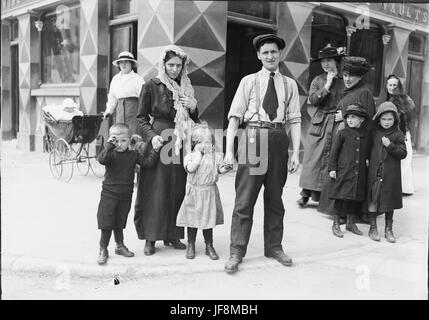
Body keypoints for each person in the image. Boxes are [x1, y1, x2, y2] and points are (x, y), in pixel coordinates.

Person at [223, 34, 301, 274]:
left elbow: (296, 120)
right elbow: (235, 118)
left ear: (280, 54)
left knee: (275, 198)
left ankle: (274, 247)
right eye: (265, 52)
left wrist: (295, 153)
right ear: (258, 55)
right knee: (245, 199)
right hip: (253, 137)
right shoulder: (248, 81)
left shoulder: (289, 84)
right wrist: (229, 152)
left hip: (278, 138)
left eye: (274, 52)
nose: (270, 56)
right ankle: (237, 251)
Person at [134, 45, 199, 255]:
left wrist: (193, 105)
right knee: (156, 189)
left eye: (178, 66)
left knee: (177, 187)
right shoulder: (152, 85)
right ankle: (151, 236)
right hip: (160, 140)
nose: (174, 69)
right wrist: (152, 137)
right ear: (163, 64)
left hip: (181, 141)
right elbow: (141, 119)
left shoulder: (186, 87)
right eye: (170, 65)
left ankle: (172, 234)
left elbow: (194, 118)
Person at [318, 56, 375, 219]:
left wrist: (344, 118)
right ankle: (338, 212)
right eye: (346, 75)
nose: (348, 79)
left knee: (346, 177)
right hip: (344, 140)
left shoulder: (364, 93)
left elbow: (367, 121)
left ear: (360, 77)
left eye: (352, 76)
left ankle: (345, 214)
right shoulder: (351, 90)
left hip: (353, 144)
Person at [96, 124, 159, 265]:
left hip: (125, 195)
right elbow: (101, 160)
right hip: (109, 195)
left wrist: (155, 150)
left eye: (123, 140)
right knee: (106, 223)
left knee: (120, 221)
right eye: (115, 140)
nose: (119, 144)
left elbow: (148, 163)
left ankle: (119, 246)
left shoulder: (133, 155)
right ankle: (103, 249)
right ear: (111, 140)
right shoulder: (110, 154)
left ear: (129, 140)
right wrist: (109, 146)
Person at [298, 44, 346, 207]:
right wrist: (326, 86)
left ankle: (324, 196)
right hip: (320, 121)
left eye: (329, 60)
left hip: (337, 122)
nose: (325, 64)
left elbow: (349, 99)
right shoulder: (318, 80)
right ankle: (305, 193)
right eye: (323, 61)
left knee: (331, 158)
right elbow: (313, 100)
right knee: (312, 157)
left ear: (336, 61)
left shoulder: (344, 79)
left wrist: (344, 114)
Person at [176, 123, 232, 260]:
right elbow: (191, 168)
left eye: (209, 141)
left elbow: (219, 170)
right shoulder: (190, 156)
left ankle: (209, 245)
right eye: (203, 142)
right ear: (194, 143)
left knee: (208, 221)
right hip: (194, 192)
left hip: (209, 192)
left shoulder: (215, 156)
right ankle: (191, 244)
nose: (207, 145)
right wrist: (199, 154)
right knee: (192, 220)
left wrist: (226, 168)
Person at [326, 104, 371, 238]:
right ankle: (335, 224)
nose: (350, 120)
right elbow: (334, 152)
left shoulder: (365, 135)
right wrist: (332, 168)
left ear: (361, 120)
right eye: (348, 117)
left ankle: (351, 223)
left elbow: (366, 151)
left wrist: (367, 161)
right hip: (343, 171)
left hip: (358, 172)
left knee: (353, 198)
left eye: (353, 117)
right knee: (340, 198)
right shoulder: (342, 133)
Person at [367, 102, 407, 243]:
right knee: (374, 200)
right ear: (378, 119)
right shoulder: (375, 133)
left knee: (389, 202)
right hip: (375, 174)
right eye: (383, 119)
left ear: (395, 120)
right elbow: (368, 149)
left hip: (390, 176)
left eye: (390, 119)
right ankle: (373, 228)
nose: (386, 122)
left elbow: (403, 153)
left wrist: (389, 145)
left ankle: (388, 229)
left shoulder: (398, 135)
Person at [377, 74, 416, 195]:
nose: (392, 87)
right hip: (386, 132)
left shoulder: (405, 99)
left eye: (395, 85)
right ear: (386, 86)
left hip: (401, 132)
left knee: (404, 159)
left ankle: (404, 187)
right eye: (390, 85)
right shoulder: (383, 98)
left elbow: (409, 116)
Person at [103, 52, 145, 135]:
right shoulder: (115, 79)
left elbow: (144, 99)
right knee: (120, 134)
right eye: (121, 62)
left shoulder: (138, 79)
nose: (123, 65)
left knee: (133, 135)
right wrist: (109, 111)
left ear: (131, 64)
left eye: (126, 62)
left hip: (134, 111)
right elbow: (112, 98)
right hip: (119, 112)